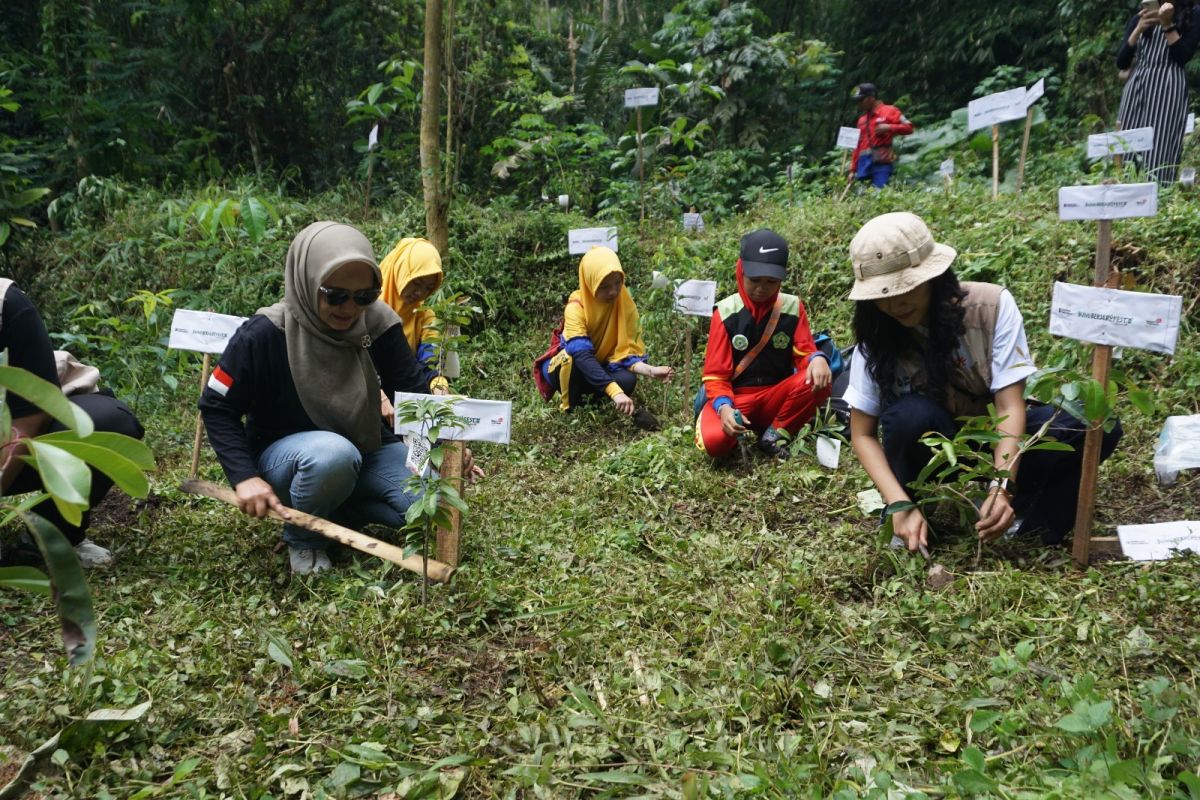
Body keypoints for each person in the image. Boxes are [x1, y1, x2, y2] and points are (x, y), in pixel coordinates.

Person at [199, 222, 476, 575]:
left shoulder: (378, 322)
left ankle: (336, 512)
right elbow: (217, 406)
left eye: (364, 296)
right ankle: (304, 539)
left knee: (430, 504)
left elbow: (412, 394)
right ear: (307, 281)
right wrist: (244, 477)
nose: (350, 308)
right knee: (333, 455)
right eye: (335, 295)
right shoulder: (266, 333)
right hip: (288, 460)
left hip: (365, 447)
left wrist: (446, 449)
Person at [844, 212, 1123, 553]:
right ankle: (910, 515)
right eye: (881, 295)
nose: (893, 304)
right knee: (908, 416)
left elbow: (1009, 405)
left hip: (996, 437)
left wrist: (1001, 487)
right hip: (936, 449)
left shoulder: (990, 307)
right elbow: (862, 434)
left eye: (906, 288)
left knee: (1094, 424)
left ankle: (1030, 528)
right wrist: (898, 502)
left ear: (933, 276)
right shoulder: (876, 336)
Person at [0, 278, 145, 568]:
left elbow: (30, 416)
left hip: (13, 432)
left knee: (108, 425)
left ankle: (50, 535)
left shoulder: (8, 305)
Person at [696, 230, 832, 460]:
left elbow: (804, 353)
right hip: (737, 400)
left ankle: (774, 434)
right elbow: (716, 376)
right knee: (715, 443)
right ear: (741, 270)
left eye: (771, 281)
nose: (762, 288)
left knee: (817, 379)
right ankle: (734, 427)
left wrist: (817, 358)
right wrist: (725, 407)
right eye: (755, 280)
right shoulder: (726, 313)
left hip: (776, 397)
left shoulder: (792, 307)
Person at [533, 247, 673, 430]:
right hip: (566, 367)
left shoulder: (621, 304)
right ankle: (572, 407)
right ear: (590, 283)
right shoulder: (576, 308)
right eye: (604, 286)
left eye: (617, 283)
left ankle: (592, 400)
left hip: (597, 365)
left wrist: (650, 371)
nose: (613, 291)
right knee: (572, 360)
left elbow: (622, 354)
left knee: (627, 380)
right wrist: (615, 392)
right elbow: (582, 356)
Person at [1117, 1, 1200, 183]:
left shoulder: (1192, 14)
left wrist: (1167, 24)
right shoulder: (1141, 17)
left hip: (1168, 87)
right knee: (1128, 143)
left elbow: (1182, 56)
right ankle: (1124, 190)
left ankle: (1160, 191)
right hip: (1136, 86)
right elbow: (1122, 62)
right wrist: (1138, 29)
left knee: (1161, 144)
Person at [849, 83, 914, 189]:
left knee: (879, 193)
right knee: (862, 196)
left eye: (861, 100)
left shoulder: (890, 111)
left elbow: (909, 127)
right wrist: (853, 170)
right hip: (863, 166)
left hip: (882, 163)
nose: (859, 104)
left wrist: (889, 127)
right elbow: (857, 147)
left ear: (871, 98)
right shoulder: (861, 120)